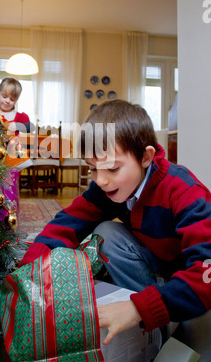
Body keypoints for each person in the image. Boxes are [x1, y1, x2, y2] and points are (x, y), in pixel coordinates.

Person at [19, 99, 211, 346]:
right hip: (161, 265)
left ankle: (153, 310)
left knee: (196, 348)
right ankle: (155, 324)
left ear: (145, 157)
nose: (101, 181)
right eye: (92, 169)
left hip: (195, 272)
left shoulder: (184, 192)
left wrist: (137, 309)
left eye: (112, 168)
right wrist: (29, 267)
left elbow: (205, 270)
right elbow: (69, 221)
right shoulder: (109, 187)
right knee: (107, 232)